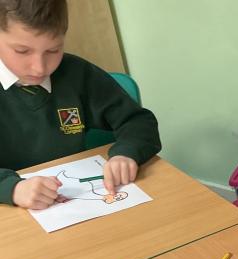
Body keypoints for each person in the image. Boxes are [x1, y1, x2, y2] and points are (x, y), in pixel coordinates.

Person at [0, 0, 161, 209]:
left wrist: (126, 153)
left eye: (53, 50)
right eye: (22, 51)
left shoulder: (77, 74)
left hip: (74, 203)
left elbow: (138, 122)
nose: (39, 68)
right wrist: (12, 188)